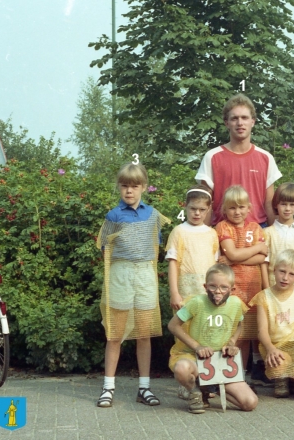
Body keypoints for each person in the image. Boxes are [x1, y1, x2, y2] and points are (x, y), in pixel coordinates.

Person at [96, 163, 170, 408]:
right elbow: (105, 249)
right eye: (125, 186)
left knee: (144, 334)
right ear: (119, 187)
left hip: (145, 276)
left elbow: (155, 247)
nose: (129, 191)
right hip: (121, 274)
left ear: (143, 188)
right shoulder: (113, 216)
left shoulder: (154, 215)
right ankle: (108, 388)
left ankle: (144, 388)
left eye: (134, 186)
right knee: (115, 334)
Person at [168, 264, 258, 413]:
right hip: (193, 356)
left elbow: (239, 325)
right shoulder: (197, 302)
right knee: (182, 368)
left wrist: (232, 342)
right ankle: (193, 390)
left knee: (250, 403)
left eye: (223, 287)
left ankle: (210, 387)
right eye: (212, 286)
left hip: (219, 361)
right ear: (205, 286)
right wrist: (197, 347)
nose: (218, 291)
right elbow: (173, 325)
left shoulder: (236, 304)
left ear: (232, 289)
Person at [166, 184, 220, 400]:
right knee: (184, 337)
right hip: (185, 294)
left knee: (206, 335)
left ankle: (206, 381)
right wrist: (174, 293)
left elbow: (215, 267)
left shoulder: (211, 234)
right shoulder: (179, 232)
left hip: (205, 295)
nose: (197, 213)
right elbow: (173, 263)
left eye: (201, 210)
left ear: (208, 210)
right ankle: (184, 381)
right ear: (185, 207)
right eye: (192, 209)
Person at [195, 93, 282, 226]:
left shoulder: (266, 158)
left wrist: (272, 236)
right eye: (234, 118)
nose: (240, 123)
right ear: (227, 123)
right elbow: (205, 203)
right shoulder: (212, 157)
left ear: (252, 121)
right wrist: (205, 236)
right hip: (222, 231)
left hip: (257, 230)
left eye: (244, 118)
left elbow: (269, 203)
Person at [214, 185, 269, 383]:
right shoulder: (223, 227)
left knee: (244, 335)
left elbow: (262, 258)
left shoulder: (255, 228)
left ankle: (240, 379)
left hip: (252, 288)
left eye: (241, 207)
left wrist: (234, 259)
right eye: (232, 208)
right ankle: (222, 376)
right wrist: (256, 248)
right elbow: (235, 252)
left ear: (249, 208)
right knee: (229, 333)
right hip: (232, 288)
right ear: (225, 210)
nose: (237, 212)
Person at [250, 249, 294, 400]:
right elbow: (262, 330)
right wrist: (270, 348)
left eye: (291, 274)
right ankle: (282, 378)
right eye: (282, 272)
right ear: (274, 269)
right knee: (280, 359)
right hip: (275, 346)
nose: (285, 278)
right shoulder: (264, 296)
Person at [264, 182, 294, 291]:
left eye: (292, 204)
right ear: (276, 205)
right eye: (283, 204)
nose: (287, 208)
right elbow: (264, 263)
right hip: (273, 286)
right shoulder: (267, 233)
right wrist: (266, 289)